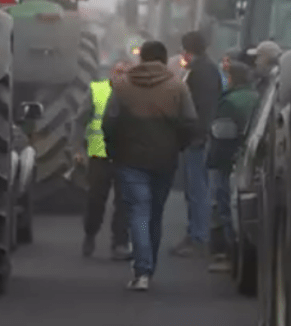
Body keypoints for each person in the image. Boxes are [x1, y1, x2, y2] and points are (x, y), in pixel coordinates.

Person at [102, 41, 198, 291]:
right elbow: (190, 123)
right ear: (165, 60)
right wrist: (178, 146)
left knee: (138, 212)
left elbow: (109, 122)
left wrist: (113, 150)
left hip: (129, 159)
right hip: (164, 160)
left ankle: (141, 272)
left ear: (141, 59)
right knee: (155, 213)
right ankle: (149, 267)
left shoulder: (122, 87)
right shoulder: (178, 86)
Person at [169, 31, 222, 258]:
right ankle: (195, 233)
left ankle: (198, 236)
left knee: (198, 189)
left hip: (198, 139)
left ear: (188, 50)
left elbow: (203, 107)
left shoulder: (202, 72)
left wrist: (197, 134)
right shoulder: (205, 69)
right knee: (194, 189)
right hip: (197, 136)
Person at [73, 58, 131, 260]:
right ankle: (90, 233)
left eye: (125, 72)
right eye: (118, 71)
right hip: (99, 153)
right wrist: (78, 148)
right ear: (111, 73)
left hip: (126, 155)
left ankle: (120, 243)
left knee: (124, 202)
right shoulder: (97, 90)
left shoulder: (136, 96)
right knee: (96, 199)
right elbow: (80, 120)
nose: (121, 76)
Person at [205, 61, 260, 273]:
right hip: (249, 159)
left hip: (227, 162)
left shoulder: (229, 102)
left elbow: (221, 134)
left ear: (231, 78)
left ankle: (228, 254)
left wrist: (214, 162)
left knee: (224, 206)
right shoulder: (257, 97)